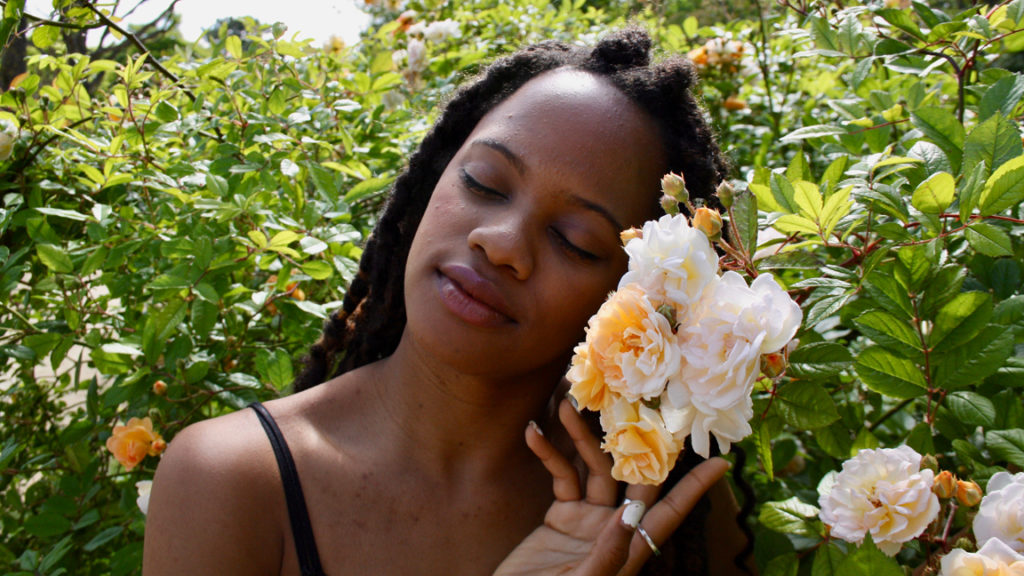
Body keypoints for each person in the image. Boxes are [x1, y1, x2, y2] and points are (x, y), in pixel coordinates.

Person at [142, 26, 750, 576]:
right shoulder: (231, 482)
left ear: (640, 295)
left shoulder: (660, 507)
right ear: (431, 177)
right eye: (483, 183)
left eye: (576, 241)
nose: (502, 243)